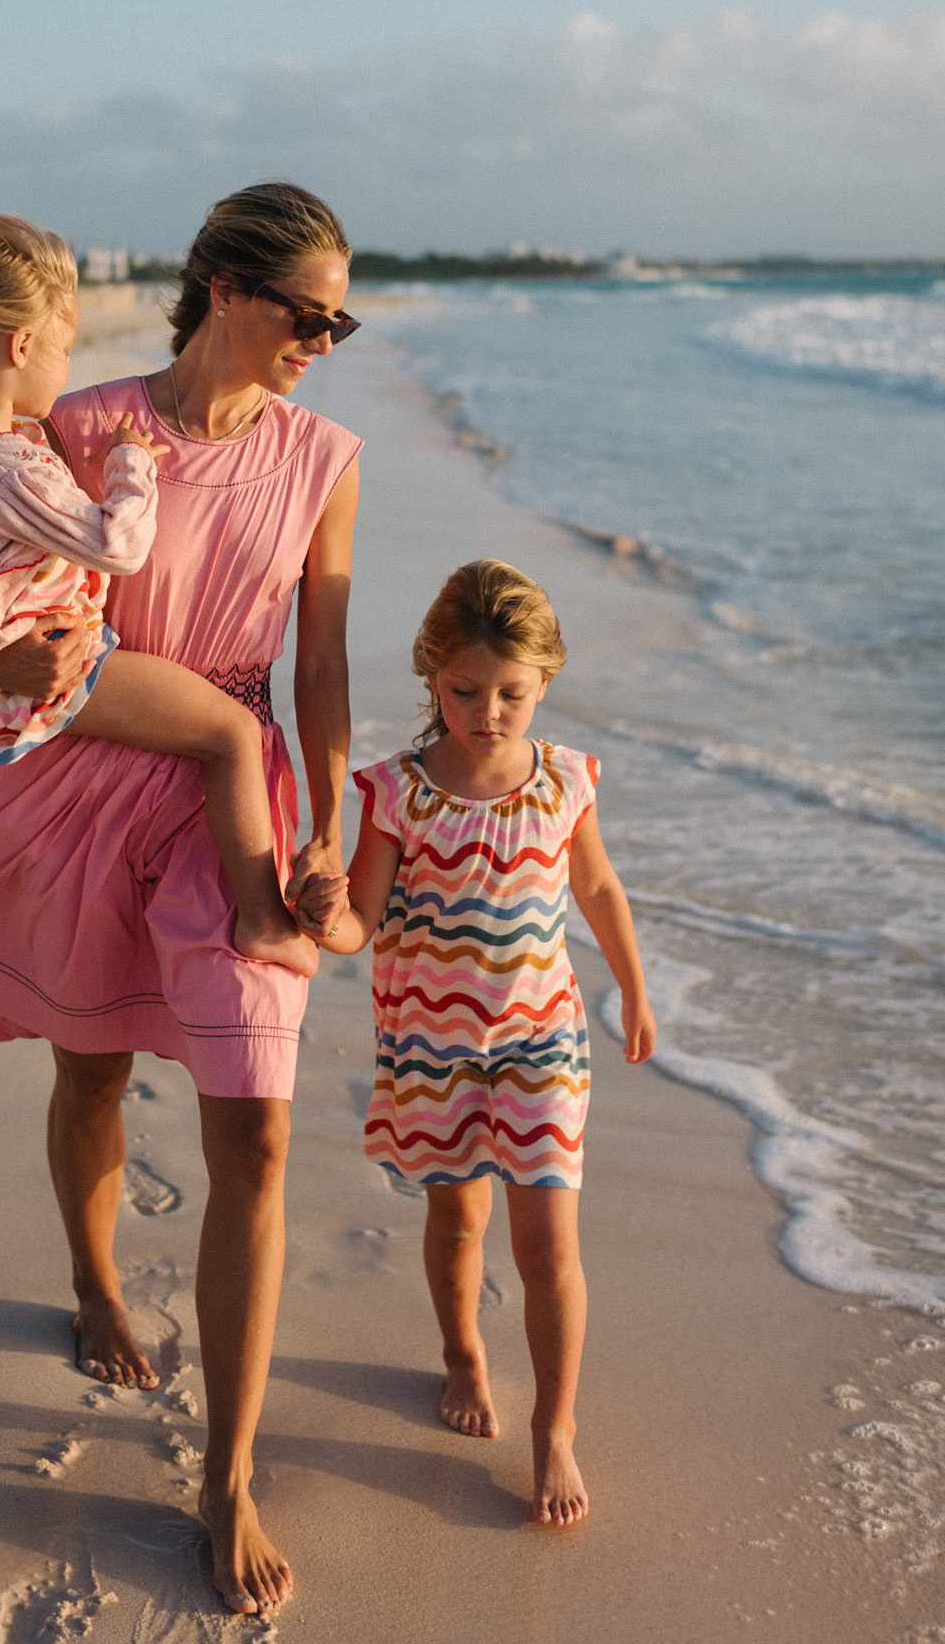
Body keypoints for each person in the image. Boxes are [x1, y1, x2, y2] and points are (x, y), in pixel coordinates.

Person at [0, 184, 362, 1615]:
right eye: (308, 314)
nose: (325, 343)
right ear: (225, 289)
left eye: (344, 321)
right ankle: (95, 1280)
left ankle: (227, 1475)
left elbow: (320, 667)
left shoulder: (325, 455)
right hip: (92, 768)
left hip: (238, 795)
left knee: (257, 1135)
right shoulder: (80, 424)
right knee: (89, 1068)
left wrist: (325, 826)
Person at [0, 211, 315, 974]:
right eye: (64, 350)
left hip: (14, 664)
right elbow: (119, 545)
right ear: (21, 345)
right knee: (232, 733)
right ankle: (265, 919)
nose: (67, 369)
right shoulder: (9, 469)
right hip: (74, 667)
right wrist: (135, 465)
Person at [297, 559, 656, 1528]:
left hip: (543, 1044)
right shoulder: (398, 793)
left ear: (544, 683)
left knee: (548, 1245)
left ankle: (555, 1428)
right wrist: (320, 911)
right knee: (457, 1224)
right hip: (431, 1052)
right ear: (430, 677)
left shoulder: (565, 781)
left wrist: (630, 984)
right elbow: (361, 923)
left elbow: (597, 891)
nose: (487, 712)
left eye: (512, 694)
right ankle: (461, 1354)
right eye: (465, 692)